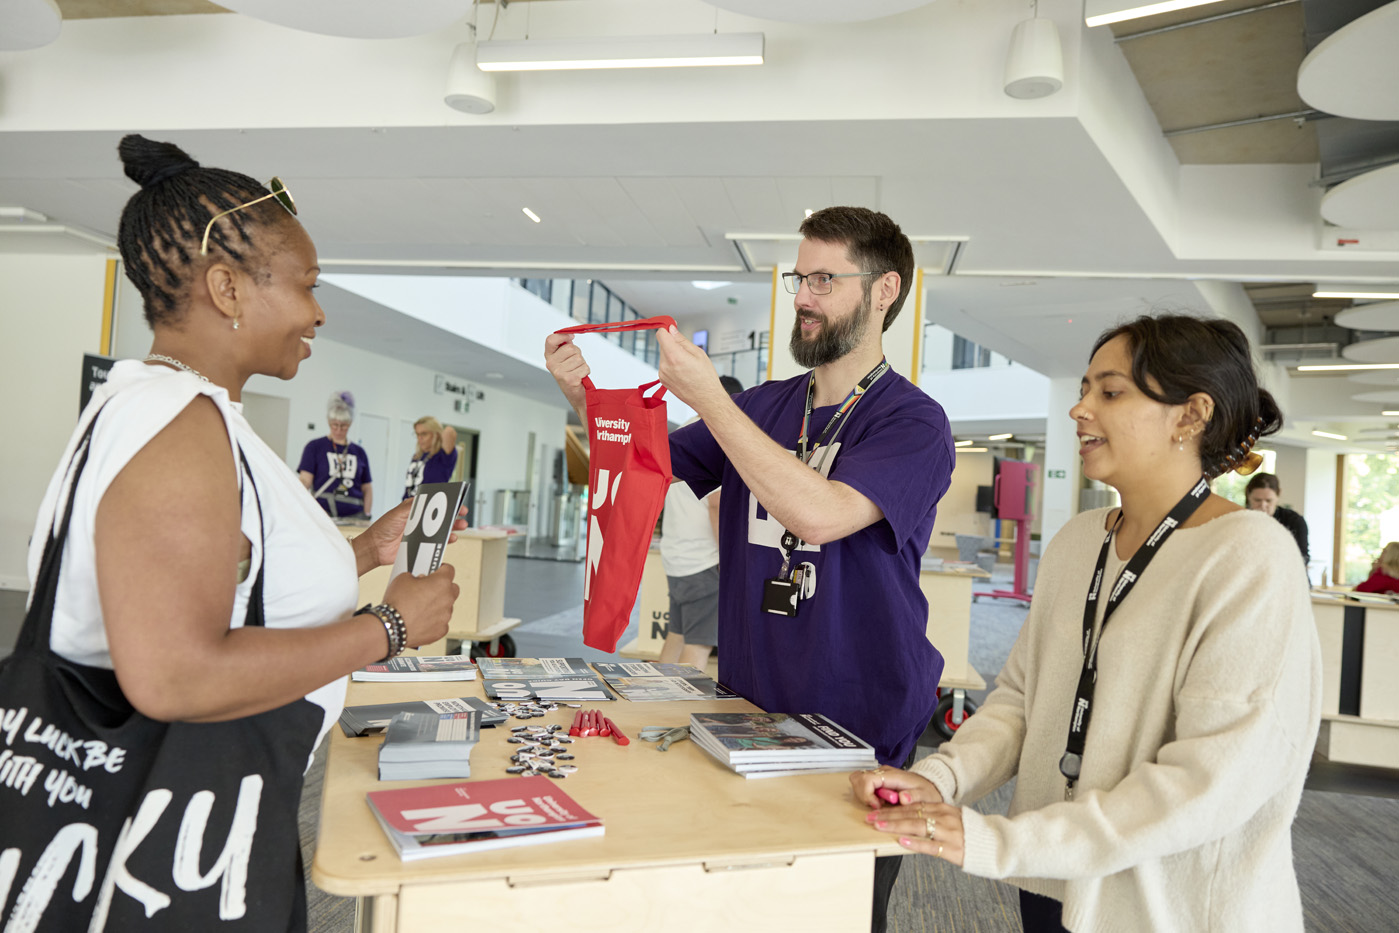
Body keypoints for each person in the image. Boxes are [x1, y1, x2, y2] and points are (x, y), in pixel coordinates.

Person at [18, 135, 461, 928]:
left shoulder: (167, 408)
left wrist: (362, 552)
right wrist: (390, 626)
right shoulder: (178, 423)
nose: (317, 311)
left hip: (211, 805)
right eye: (304, 285)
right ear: (226, 287)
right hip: (174, 820)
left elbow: (213, 582)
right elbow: (175, 676)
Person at [548, 206, 954, 933]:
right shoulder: (767, 405)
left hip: (856, 724)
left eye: (824, 279)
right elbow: (646, 465)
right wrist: (582, 400)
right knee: (743, 906)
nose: (802, 296)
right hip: (749, 709)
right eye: (800, 278)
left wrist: (709, 398)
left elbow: (821, 515)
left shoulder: (913, 422)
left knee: (835, 914)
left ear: (885, 290)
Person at [850, 314, 1322, 933]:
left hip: (1171, 906)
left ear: (1191, 414)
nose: (1080, 409)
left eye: (1110, 391)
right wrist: (938, 780)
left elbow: (1211, 780)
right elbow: (1020, 701)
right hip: (1054, 882)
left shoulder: (1248, 556)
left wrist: (998, 841)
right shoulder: (1078, 542)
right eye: (1083, 389)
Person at [658, 374, 745, 669]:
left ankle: (647, 702)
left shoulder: (685, 431)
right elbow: (716, 503)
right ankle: (674, 714)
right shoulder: (716, 435)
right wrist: (728, 558)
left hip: (677, 556)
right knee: (698, 647)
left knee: (677, 636)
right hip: (703, 562)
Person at [298, 390, 373, 519]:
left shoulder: (359, 452)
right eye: (335, 425)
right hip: (322, 515)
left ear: (350, 424)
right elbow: (305, 480)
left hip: (354, 516)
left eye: (343, 426)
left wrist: (367, 514)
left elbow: (367, 488)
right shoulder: (314, 447)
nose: (338, 430)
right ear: (329, 422)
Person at [1245, 472, 1309, 563]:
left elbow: (1304, 557)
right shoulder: (1240, 520)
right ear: (1248, 496)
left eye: (1268, 500)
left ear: (1278, 495)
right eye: (1257, 500)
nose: (1263, 505)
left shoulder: (1294, 521)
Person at [403, 415, 458, 499]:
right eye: (417, 434)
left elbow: (449, 431)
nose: (419, 438)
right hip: (409, 506)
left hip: (430, 507)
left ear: (436, 434)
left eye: (424, 434)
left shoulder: (443, 456)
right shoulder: (417, 456)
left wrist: (439, 434)